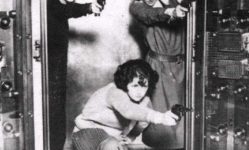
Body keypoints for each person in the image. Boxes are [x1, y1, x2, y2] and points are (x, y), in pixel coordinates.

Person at [71, 59, 180, 150]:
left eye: (144, 86)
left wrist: (131, 137)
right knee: (112, 146)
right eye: (135, 86)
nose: (140, 92)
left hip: (113, 137)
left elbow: (142, 123)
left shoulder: (145, 100)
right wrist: (160, 117)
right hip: (88, 131)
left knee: (116, 146)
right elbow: (128, 110)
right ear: (125, 82)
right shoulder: (113, 92)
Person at [129, 0, 188, 149]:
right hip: (157, 69)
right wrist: (171, 12)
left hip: (183, 67)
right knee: (161, 124)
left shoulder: (178, 3)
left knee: (184, 123)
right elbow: (149, 15)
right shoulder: (139, 6)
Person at [47, 0, 103, 150]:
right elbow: (62, 9)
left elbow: (65, 8)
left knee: (55, 109)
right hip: (49, 70)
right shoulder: (48, 4)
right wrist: (88, 7)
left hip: (55, 67)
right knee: (53, 110)